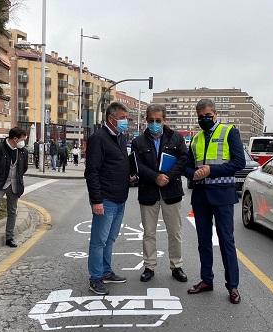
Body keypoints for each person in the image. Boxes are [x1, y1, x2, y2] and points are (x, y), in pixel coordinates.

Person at [185, 99, 245, 304]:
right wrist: (193, 174)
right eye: (200, 117)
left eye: (207, 116)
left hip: (222, 195)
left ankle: (233, 286)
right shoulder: (196, 138)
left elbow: (239, 162)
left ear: (215, 114)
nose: (204, 119)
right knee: (203, 242)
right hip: (201, 196)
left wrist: (211, 170)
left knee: (226, 241)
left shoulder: (229, 132)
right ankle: (206, 280)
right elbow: (187, 164)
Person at [132, 104, 189, 283]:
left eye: (158, 120)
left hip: (171, 191)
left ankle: (176, 266)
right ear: (146, 121)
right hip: (149, 192)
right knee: (149, 233)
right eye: (151, 121)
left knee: (175, 232)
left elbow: (184, 159)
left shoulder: (176, 138)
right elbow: (137, 165)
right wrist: (155, 177)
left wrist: (168, 177)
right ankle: (149, 266)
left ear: (165, 120)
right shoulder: (138, 141)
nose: (154, 124)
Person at [85, 102, 132, 295]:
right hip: (105, 198)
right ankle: (95, 278)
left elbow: (118, 163)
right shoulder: (98, 138)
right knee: (99, 241)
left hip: (120, 198)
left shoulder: (120, 138)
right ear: (111, 118)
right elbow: (92, 172)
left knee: (110, 239)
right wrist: (96, 201)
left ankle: (106, 271)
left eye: (125, 118)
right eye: (122, 118)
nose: (125, 121)